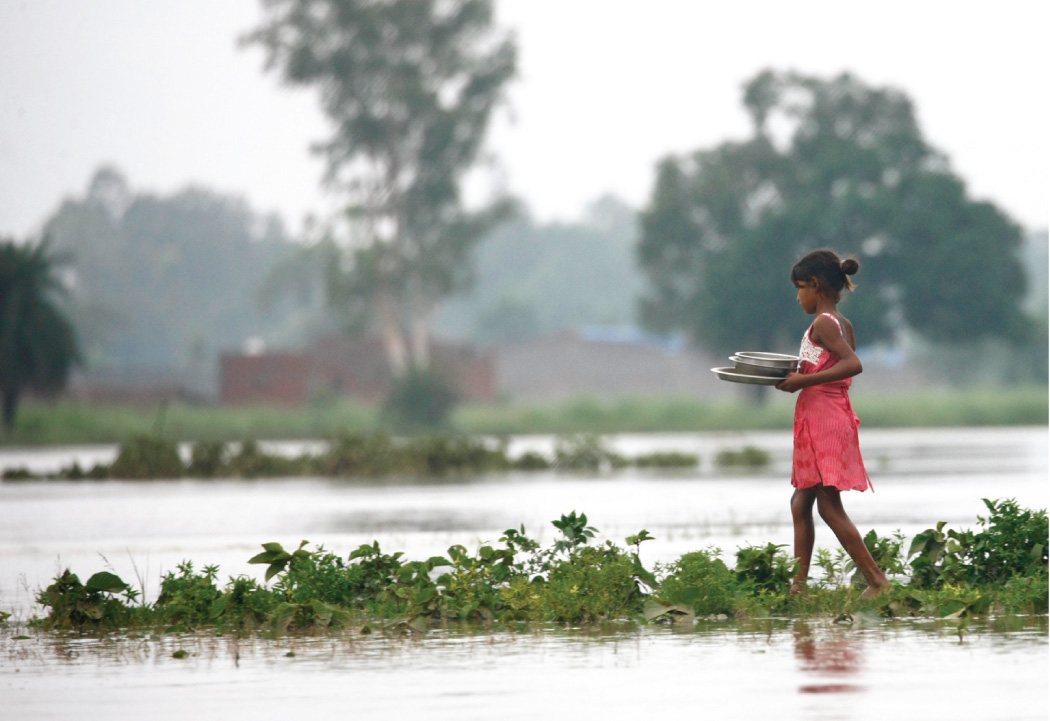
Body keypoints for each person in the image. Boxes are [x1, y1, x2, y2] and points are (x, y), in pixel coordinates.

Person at [775, 249, 889, 598]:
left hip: (825, 418)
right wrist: (798, 375)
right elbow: (828, 367)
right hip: (821, 414)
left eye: (800, 289)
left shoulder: (825, 323)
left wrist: (802, 382)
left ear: (815, 285)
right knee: (800, 502)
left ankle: (878, 582)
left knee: (828, 505)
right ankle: (799, 586)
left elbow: (852, 365)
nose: (797, 298)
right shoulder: (841, 324)